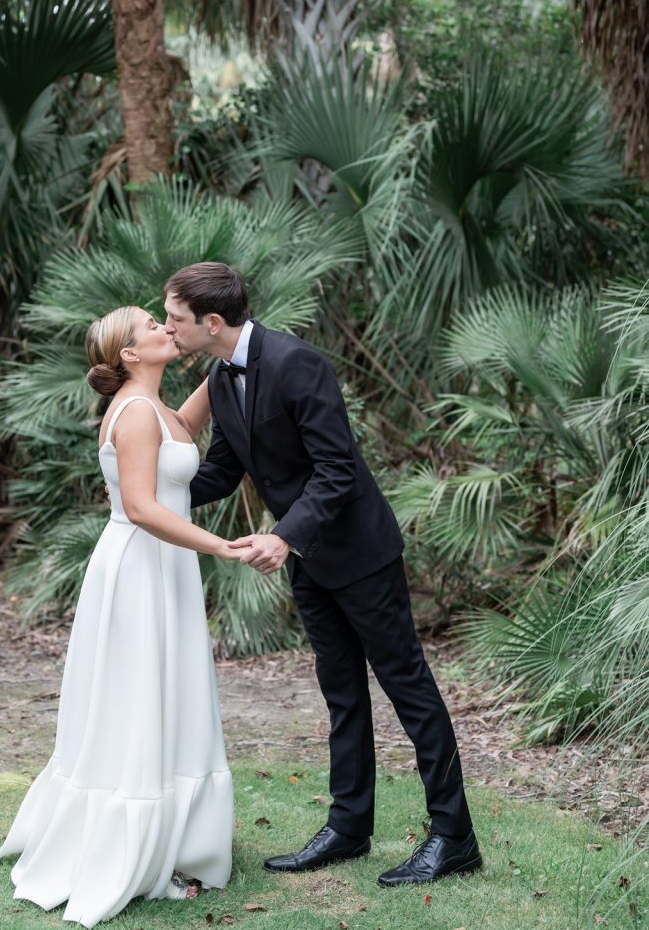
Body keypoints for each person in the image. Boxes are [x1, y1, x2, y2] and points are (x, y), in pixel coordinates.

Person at [163, 262, 482, 887]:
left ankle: (454, 838)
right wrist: (146, 491)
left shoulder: (297, 363)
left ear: (213, 322)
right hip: (307, 560)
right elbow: (223, 470)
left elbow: (337, 468)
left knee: (410, 691)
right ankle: (348, 827)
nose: (168, 328)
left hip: (360, 555)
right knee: (342, 694)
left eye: (175, 319)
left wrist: (282, 536)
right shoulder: (221, 378)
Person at [0, 306, 243, 927]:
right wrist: (221, 546)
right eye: (152, 327)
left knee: (168, 693)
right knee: (141, 697)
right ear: (130, 355)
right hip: (143, 564)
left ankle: (181, 838)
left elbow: (181, 434)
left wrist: (230, 356)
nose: (165, 327)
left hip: (165, 564)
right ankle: (133, 842)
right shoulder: (132, 412)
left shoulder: (153, 407)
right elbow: (140, 505)